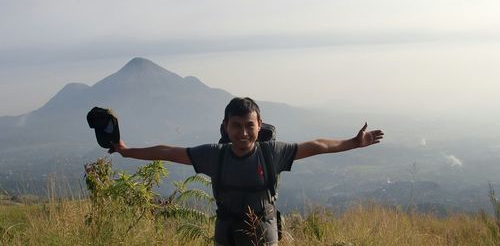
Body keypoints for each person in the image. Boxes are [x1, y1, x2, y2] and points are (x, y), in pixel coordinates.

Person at [111, 97, 384, 246]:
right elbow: (167, 152)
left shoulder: (271, 153)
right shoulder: (213, 155)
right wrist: (127, 150)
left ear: (259, 125)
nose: (243, 133)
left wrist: (353, 143)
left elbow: (318, 145)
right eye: (236, 125)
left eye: (249, 126)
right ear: (226, 126)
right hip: (226, 238)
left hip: (264, 238)